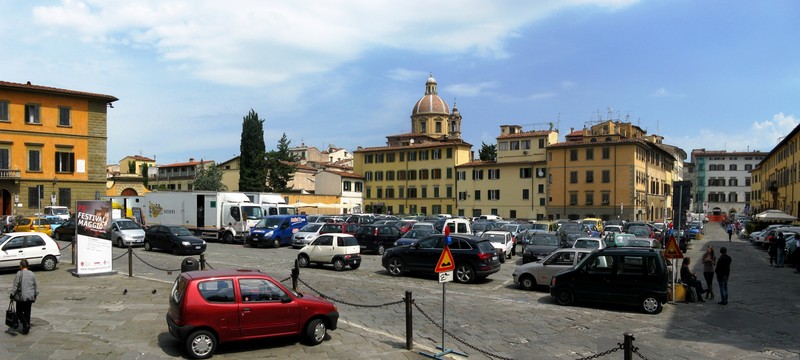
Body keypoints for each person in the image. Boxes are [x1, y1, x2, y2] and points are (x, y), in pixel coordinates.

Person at [9, 259, 38, 334]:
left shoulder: (19, 273)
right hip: (30, 296)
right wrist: (35, 294)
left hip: (22, 296)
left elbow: (15, 285)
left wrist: (12, 294)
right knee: (27, 312)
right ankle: (26, 330)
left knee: (19, 312)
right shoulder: (32, 273)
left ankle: (25, 324)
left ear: (21, 266)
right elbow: (35, 285)